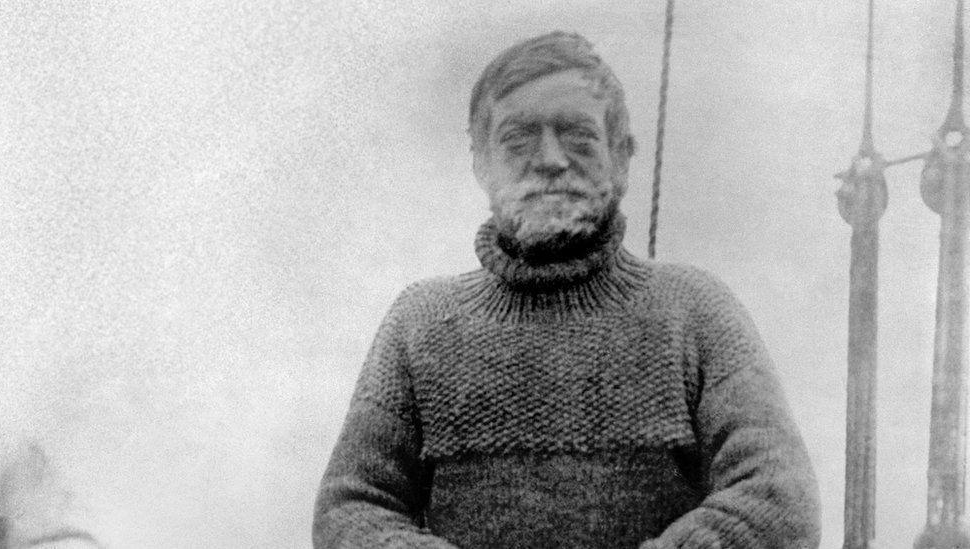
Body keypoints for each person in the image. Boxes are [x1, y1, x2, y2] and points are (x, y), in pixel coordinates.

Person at [314, 31, 821, 548]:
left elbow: (777, 496)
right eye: (518, 137)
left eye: (577, 135)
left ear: (621, 157)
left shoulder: (694, 311)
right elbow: (351, 507)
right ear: (481, 164)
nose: (550, 159)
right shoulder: (420, 323)